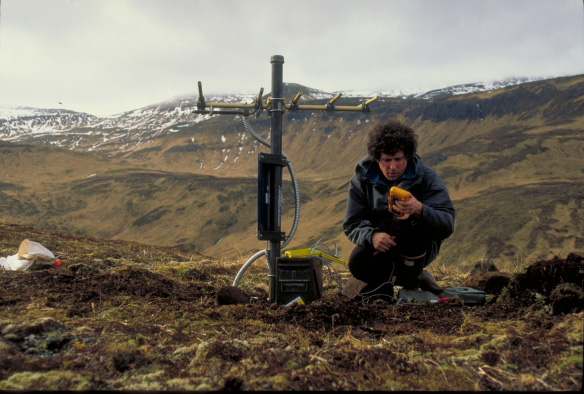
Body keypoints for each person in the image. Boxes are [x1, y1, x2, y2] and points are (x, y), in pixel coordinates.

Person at [343, 119, 455, 298]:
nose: (392, 167)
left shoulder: (427, 177)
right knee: (357, 263)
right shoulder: (361, 179)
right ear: (376, 158)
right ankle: (400, 282)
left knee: (412, 230)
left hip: (418, 248)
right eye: (386, 160)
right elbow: (352, 223)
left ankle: (413, 276)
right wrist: (372, 236)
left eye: (398, 159)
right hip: (381, 247)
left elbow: (447, 224)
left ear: (408, 156)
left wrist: (420, 209)